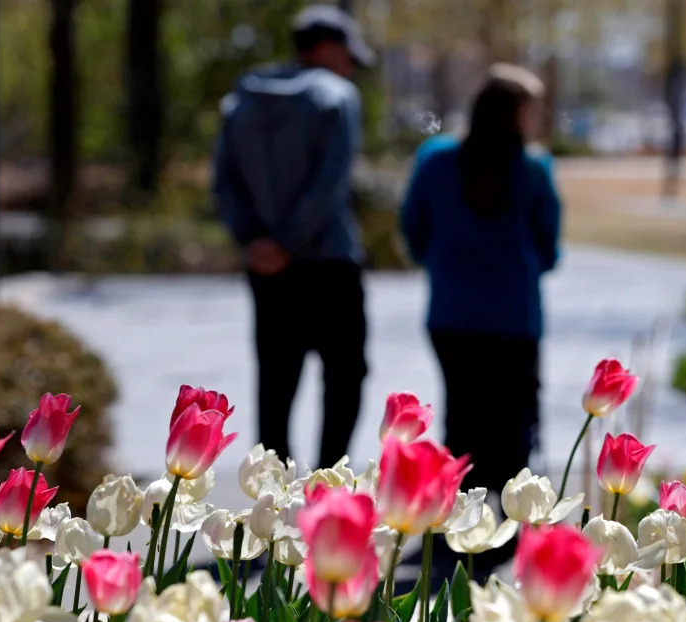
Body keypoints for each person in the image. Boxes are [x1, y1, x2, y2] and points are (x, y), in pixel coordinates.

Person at [400, 65, 562, 579]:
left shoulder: (436, 160)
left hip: (452, 312)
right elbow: (549, 248)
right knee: (512, 421)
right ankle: (506, 526)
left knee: (461, 416)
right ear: (517, 113)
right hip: (513, 315)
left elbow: (413, 229)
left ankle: (455, 518)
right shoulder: (533, 171)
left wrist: (446, 263)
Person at [213, 5, 373, 469]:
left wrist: (255, 241)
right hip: (330, 264)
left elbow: (224, 182)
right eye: (347, 55)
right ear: (326, 49)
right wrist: (289, 241)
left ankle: (273, 502)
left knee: (276, 383)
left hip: (267, 268)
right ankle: (330, 489)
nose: (349, 67)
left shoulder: (241, 99)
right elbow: (329, 184)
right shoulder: (337, 98)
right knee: (345, 378)